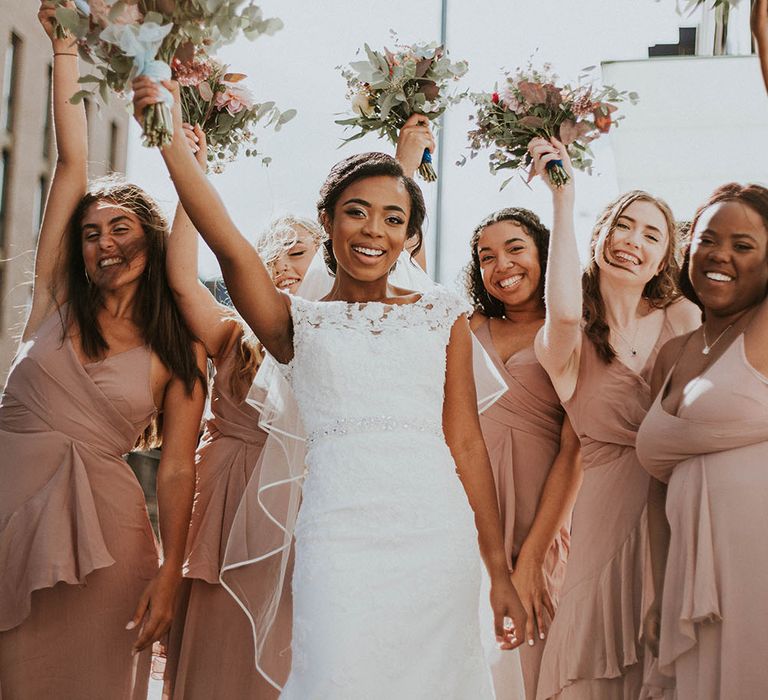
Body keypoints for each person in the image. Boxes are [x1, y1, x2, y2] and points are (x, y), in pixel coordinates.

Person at [134, 76, 526, 698]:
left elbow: (468, 445)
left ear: (407, 236)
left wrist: (498, 569)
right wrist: (168, 138)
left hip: (436, 533)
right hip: (336, 535)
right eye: (357, 212)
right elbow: (228, 243)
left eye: (393, 218)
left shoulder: (442, 313)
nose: (374, 229)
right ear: (328, 221)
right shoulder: (297, 324)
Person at [0, 6, 206, 699]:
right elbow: (74, 161)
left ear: (148, 241)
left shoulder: (174, 354)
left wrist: (170, 572)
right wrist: (64, 49)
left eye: (120, 227)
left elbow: (177, 470)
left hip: (107, 549)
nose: (104, 241)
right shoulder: (55, 299)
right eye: (91, 232)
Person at [528, 138, 700, 699]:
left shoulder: (683, 317)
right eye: (624, 226)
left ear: (664, 258)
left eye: (652, 235)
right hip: (604, 523)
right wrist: (563, 198)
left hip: (681, 510)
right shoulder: (565, 344)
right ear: (600, 234)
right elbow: (565, 310)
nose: (634, 242)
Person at [638, 183, 768, 699]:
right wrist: (659, 591)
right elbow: (656, 488)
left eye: (744, 245)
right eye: (709, 239)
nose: (721, 255)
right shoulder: (672, 354)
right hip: (689, 577)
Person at [465, 207, 582, 700]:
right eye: (486, 256)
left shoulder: (574, 333)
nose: (502, 264)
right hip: (468, 513)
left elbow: (575, 450)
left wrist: (532, 558)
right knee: (473, 660)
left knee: (534, 661)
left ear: (544, 253)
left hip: (541, 516)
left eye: (515, 248)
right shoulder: (467, 328)